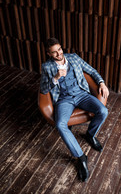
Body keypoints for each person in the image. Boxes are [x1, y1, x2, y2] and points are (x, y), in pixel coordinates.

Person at [40, 38, 109, 182]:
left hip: (81, 94)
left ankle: (90, 135)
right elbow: (43, 89)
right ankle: (81, 157)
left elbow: (91, 70)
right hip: (64, 100)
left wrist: (102, 83)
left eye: (59, 50)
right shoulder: (47, 67)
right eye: (54, 52)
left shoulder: (74, 58)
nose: (59, 54)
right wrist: (55, 78)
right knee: (60, 125)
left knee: (103, 111)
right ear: (49, 54)